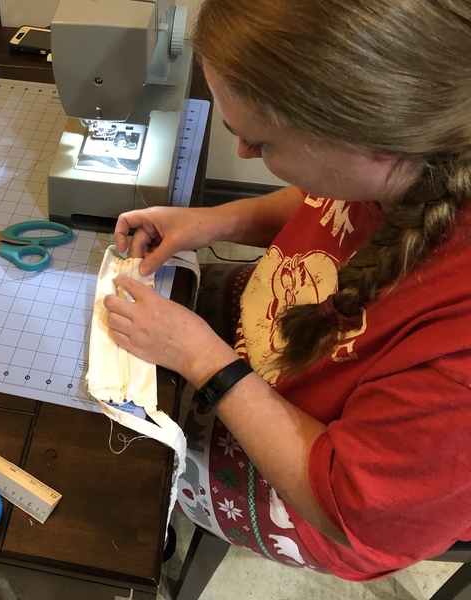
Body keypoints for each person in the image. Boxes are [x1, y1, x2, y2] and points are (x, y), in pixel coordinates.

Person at [103, 0, 471, 581]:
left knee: (118, 477)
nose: (244, 154)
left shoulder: (458, 361)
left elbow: (346, 507)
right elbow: (327, 198)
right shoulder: (413, 149)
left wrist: (203, 358)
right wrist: (212, 221)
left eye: (262, 143)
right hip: (280, 343)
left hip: (321, 497)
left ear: (374, 139)